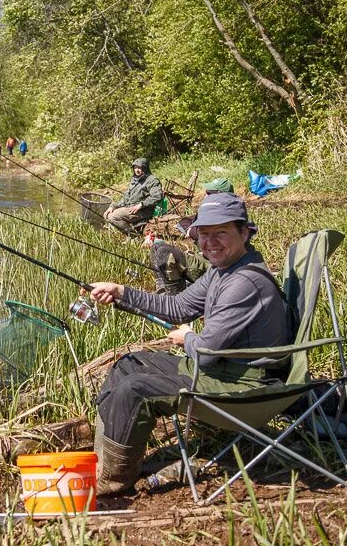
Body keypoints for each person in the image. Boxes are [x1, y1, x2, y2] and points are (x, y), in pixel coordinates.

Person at [86, 193, 288, 495]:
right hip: (223, 369)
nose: (210, 242)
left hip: (243, 386)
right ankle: (104, 461)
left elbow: (205, 354)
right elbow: (178, 307)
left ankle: (113, 481)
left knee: (134, 390)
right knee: (128, 364)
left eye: (221, 232)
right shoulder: (223, 270)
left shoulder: (244, 283)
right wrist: (122, 291)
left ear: (244, 232)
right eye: (203, 234)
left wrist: (188, 337)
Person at [148, 177, 235, 294]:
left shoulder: (225, 215)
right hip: (200, 258)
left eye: (209, 194)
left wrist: (194, 231)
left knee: (164, 253)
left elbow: (202, 233)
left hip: (212, 268)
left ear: (220, 196)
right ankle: (162, 289)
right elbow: (184, 221)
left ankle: (176, 299)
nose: (205, 196)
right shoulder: (207, 211)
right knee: (157, 246)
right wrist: (192, 229)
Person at [103, 158, 164, 237]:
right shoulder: (135, 180)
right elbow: (125, 199)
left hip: (143, 211)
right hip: (130, 208)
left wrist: (141, 205)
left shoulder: (152, 180)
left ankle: (134, 237)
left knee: (113, 217)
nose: (137, 170)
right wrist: (113, 206)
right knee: (107, 214)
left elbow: (157, 196)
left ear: (145, 168)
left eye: (139, 168)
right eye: (135, 168)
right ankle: (132, 234)